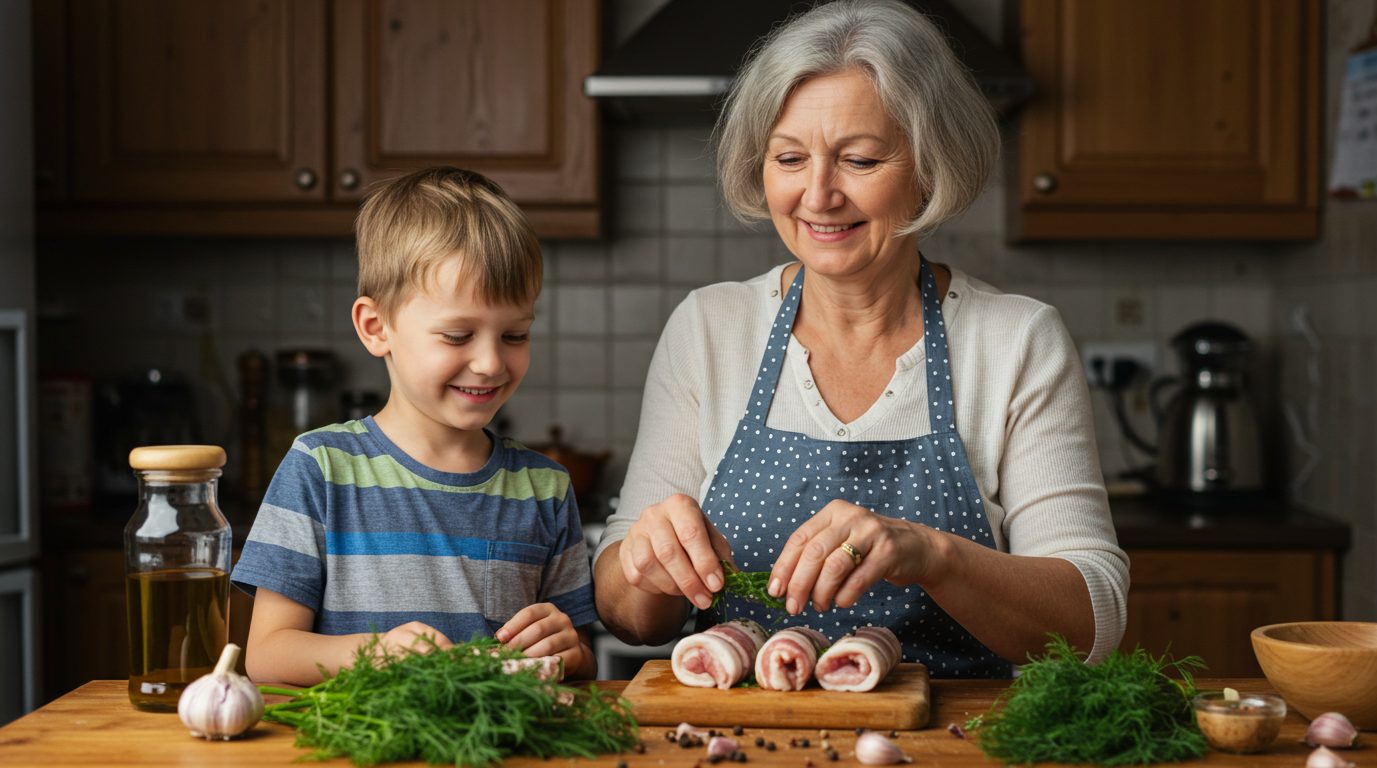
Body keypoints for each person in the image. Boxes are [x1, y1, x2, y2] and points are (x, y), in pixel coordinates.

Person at [593, 0, 1129, 677]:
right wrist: (648, 561)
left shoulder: (1016, 341)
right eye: (790, 158)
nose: (817, 195)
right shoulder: (710, 328)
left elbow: (1094, 619)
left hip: (959, 743)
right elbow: (627, 616)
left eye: (860, 160)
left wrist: (934, 555)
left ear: (930, 168)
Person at [234, 167, 597, 685]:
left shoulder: (545, 488)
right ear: (376, 328)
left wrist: (571, 652)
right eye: (456, 336)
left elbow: (578, 655)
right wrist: (374, 653)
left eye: (515, 335)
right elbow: (266, 654)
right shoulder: (321, 469)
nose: (491, 363)